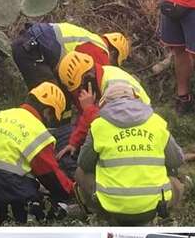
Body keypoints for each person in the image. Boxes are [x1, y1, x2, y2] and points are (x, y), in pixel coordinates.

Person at [75, 82, 185, 225]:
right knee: (177, 178)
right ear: (136, 98)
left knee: (79, 173)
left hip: (113, 210)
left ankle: (100, 215)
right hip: (154, 208)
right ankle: (163, 217)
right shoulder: (156, 122)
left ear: (105, 103)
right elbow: (177, 160)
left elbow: (84, 163)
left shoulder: (98, 126)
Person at [0, 82, 73, 225]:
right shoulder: (38, 132)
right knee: (53, 208)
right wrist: (71, 189)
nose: (49, 122)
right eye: (52, 118)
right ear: (47, 111)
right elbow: (51, 177)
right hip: (10, 193)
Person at [56, 51, 152, 159]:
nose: (81, 92)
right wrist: (73, 143)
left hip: (138, 127)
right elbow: (90, 117)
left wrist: (88, 108)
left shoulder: (114, 86)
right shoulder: (100, 78)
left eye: (80, 88)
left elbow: (110, 126)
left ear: (88, 77)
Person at [12, 21, 129, 89]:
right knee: (49, 100)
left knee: (54, 97)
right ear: (113, 52)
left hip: (28, 45)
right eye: (114, 62)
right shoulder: (100, 51)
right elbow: (92, 84)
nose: (110, 66)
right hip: (34, 51)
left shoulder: (89, 37)